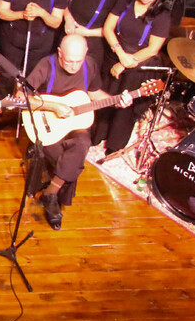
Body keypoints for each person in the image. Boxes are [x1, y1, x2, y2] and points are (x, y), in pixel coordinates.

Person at [23, 35, 131, 229]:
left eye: (78, 61)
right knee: (66, 161)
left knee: (82, 146)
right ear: (59, 53)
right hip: (46, 123)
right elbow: (22, 98)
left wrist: (116, 101)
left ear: (86, 53)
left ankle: (50, 194)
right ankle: (53, 199)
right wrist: (54, 106)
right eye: (69, 61)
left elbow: (94, 93)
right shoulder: (46, 65)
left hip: (73, 124)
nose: (74, 67)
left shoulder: (89, 65)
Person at [97, 0, 170, 154]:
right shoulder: (125, 0)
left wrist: (126, 63)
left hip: (139, 61)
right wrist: (120, 54)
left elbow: (153, 49)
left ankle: (115, 144)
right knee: (105, 96)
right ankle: (97, 134)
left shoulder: (162, 15)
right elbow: (108, 28)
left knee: (126, 104)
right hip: (116, 51)